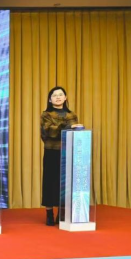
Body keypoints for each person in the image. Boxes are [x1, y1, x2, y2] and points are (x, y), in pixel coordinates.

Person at [40, 86, 83, 226]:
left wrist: (63, 127)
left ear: (65, 98)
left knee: (64, 182)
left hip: (67, 151)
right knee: (49, 182)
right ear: (50, 99)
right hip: (51, 151)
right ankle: (49, 213)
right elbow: (49, 132)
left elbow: (73, 131)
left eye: (60, 95)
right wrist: (67, 127)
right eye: (54, 95)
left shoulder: (72, 115)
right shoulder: (46, 114)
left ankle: (62, 212)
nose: (58, 97)